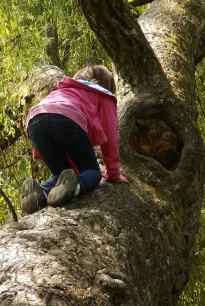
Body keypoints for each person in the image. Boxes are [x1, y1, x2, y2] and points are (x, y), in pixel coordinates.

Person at [20, 64, 128, 214]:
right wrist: (113, 173)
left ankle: (39, 193)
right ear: (107, 84)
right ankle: (75, 187)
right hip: (66, 119)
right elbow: (110, 136)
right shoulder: (103, 94)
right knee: (92, 171)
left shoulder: (62, 90)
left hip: (34, 121)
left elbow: (49, 120)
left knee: (61, 173)